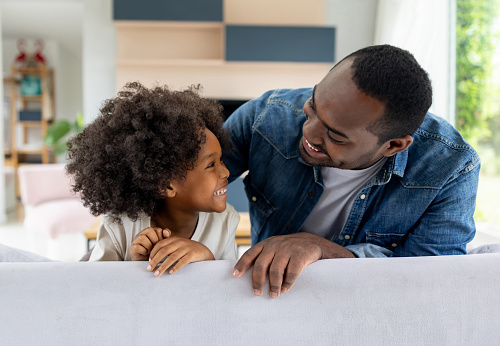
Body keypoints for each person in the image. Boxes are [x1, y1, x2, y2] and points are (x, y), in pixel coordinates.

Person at [223, 44, 480, 298]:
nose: (308, 132)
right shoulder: (264, 117)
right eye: (312, 106)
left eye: (335, 136)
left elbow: (426, 280)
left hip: (364, 307)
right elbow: (187, 183)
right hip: (268, 294)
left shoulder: (451, 169)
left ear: (393, 146)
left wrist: (321, 249)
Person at [66, 82, 239, 276]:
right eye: (211, 165)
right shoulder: (120, 228)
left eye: (221, 160)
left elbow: (226, 294)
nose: (225, 172)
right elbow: (94, 291)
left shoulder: (225, 221)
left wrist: (208, 259)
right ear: (166, 184)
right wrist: (136, 266)